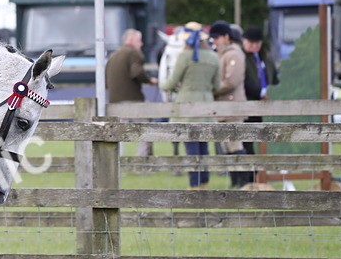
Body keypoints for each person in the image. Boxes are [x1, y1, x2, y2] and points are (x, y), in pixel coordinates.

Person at [160, 25, 220, 189]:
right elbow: (217, 84)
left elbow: (171, 82)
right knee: (203, 146)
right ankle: (204, 182)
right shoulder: (213, 57)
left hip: (187, 105)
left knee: (191, 146)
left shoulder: (185, 56)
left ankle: (194, 184)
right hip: (207, 104)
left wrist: (163, 84)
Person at [106, 28, 158, 156]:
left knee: (116, 133)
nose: (141, 44)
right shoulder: (133, 53)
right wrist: (149, 80)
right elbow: (137, 72)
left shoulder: (113, 56)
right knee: (144, 129)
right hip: (133, 99)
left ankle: (117, 161)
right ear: (131, 40)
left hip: (114, 101)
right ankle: (142, 160)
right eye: (139, 40)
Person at [209, 20, 248, 187]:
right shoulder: (222, 55)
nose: (215, 41)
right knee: (228, 146)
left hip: (232, 107)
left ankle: (242, 180)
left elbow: (231, 81)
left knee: (235, 144)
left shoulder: (234, 54)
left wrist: (211, 90)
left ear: (226, 37)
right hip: (223, 108)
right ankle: (235, 180)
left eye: (217, 38)